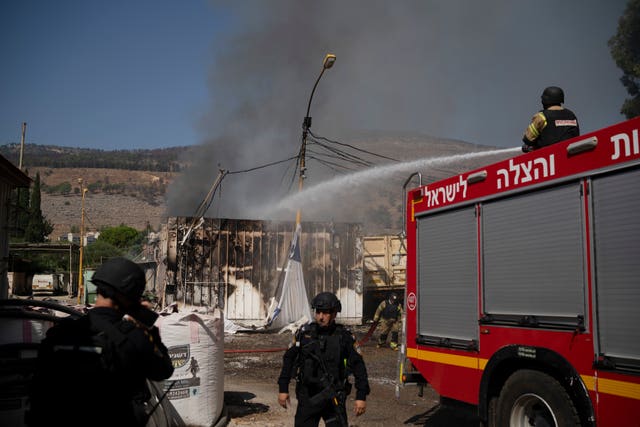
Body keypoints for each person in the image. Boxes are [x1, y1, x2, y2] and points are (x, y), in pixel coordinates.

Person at [28, 257, 174, 427]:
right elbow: (163, 370)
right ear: (128, 296)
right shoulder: (133, 336)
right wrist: (149, 329)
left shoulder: (59, 333)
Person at [277, 292, 370, 427]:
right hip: (308, 397)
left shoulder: (344, 337)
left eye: (326, 313)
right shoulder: (304, 334)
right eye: (318, 312)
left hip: (334, 398)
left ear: (334, 314)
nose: (321, 317)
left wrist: (361, 396)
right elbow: (288, 360)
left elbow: (359, 367)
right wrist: (283, 389)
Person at [522, 86, 580, 152]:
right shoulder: (571, 115)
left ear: (544, 101)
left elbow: (528, 139)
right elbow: (576, 135)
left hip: (549, 156)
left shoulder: (542, 116)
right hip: (570, 154)